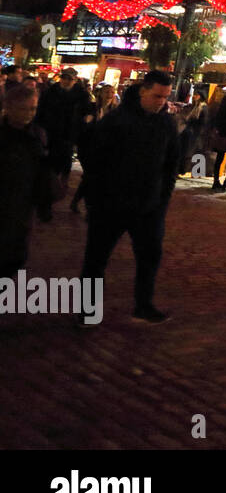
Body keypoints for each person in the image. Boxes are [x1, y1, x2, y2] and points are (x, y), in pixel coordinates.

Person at [79, 71, 179, 324]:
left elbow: (171, 163)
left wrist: (162, 198)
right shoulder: (116, 121)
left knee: (149, 257)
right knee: (96, 259)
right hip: (110, 204)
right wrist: (96, 198)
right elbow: (93, 159)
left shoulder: (165, 123)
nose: (161, 102)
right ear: (143, 91)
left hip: (148, 206)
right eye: (157, 95)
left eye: (166, 97)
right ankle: (88, 311)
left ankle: (143, 305)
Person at [0, 86, 55, 279]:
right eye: (23, 109)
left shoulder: (37, 134)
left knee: (15, 255)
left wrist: (44, 203)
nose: (29, 114)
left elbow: (41, 171)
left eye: (32, 109)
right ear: (8, 107)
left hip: (23, 203)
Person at [35, 66, 93, 190]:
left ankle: (62, 180)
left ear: (75, 80)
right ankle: (49, 180)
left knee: (66, 156)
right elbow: (41, 109)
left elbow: (87, 111)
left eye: (69, 79)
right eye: (64, 78)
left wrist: (84, 123)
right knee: (50, 156)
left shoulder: (81, 94)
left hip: (70, 131)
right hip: (51, 129)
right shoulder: (51, 91)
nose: (66, 81)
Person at [70, 83, 118, 214]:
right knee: (91, 175)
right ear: (100, 94)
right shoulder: (91, 108)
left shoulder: (115, 111)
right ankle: (89, 206)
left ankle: (77, 202)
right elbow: (80, 126)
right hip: (87, 147)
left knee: (90, 177)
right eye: (106, 92)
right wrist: (86, 122)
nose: (109, 95)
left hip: (103, 149)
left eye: (111, 92)